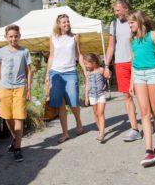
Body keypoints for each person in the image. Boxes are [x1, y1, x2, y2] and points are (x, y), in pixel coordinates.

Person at [127, 9, 155, 167]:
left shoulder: (153, 35)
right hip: (138, 75)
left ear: (140, 21)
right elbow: (133, 61)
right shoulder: (132, 40)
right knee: (144, 111)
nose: (129, 25)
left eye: (132, 22)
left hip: (153, 73)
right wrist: (131, 82)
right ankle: (148, 150)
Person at [0, 24, 32, 162]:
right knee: (7, 117)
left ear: (19, 36)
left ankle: (18, 148)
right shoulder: (1, 52)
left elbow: (29, 71)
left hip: (20, 88)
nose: (13, 38)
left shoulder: (25, 51)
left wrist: (29, 90)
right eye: (11, 36)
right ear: (6, 37)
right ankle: (15, 138)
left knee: (18, 118)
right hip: (4, 88)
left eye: (16, 36)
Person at [104, 0, 142, 142]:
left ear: (126, 8)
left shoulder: (136, 21)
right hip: (121, 63)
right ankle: (134, 129)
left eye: (118, 10)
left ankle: (148, 121)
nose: (116, 13)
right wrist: (106, 65)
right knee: (127, 96)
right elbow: (111, 46)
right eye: (115, 10)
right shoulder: (113, 24)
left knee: (142, 95)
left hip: (136, 62)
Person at [45, 14, 86, 143]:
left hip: (70, 72)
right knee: (60, 104)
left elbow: (78, 55)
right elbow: (51, 56)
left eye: (68, 22)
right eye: (64, 22)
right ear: (58, 24)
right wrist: (47, 74)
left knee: (73, 102)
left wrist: (84, 69)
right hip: (56, 72)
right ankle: (65, 133)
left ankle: (78, 121)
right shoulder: (53, 38)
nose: (67, 24)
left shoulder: (75, 37)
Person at [83, 53, 108, 143]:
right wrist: (86, 97)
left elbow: (107, 75)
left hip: (101, 94)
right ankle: (100, 130)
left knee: (100, 113)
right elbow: (87, 84)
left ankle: (102, 133)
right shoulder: (88, 73)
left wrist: (108, 74)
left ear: (93, 63)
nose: (85, 65)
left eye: (86, 63)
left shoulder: (101, 70)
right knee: (96, 113)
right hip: (92, 96)